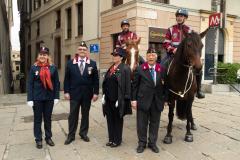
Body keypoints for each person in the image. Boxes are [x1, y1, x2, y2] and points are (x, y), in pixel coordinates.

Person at [163, 8, 205, 99]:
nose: (179, 18)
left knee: (198, 68)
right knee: (162, 66)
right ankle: (163, 91)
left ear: (185, 18)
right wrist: (172, 49)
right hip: (172, 54)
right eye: (178, 16)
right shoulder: (171, 29)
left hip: (186, 55)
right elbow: (166, 43)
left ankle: (198, 90)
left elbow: (194, 43)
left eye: (181, 16)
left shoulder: (189, 30)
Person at [131, 48, 167, 153]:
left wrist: (165, 99)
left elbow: (166, 86)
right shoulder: (140, 69)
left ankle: (152, 143)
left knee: (155, 123)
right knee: (142, 124)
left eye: (153, 55)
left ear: (156, 57)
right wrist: (133, 99)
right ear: (146, 57)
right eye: (149, 55)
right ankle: (142, 143)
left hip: (157, 101)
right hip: (143, 100)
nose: (151, 57)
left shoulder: (162, 69)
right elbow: (135, 86)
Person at [64, 41, 99, 145]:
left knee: (85, 114)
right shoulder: (70, 63)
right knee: (73, 115)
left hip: (87, 94)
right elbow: (67, 79)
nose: (82, 51)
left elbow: (95, 80)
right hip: (74, 94)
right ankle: (71, 135)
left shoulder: (92, 63)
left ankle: (83, 133)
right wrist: (66, 92)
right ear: (77, 51)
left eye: (84, 50)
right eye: (80, 49)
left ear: (86, 51)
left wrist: (96, 93)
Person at [27, 46, 60, 149]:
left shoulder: (53, 68)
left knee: (48, 119)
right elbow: (30, 84)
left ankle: (48, 137)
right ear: (38, 56)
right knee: (37, 119)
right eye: (41, 54)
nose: (42, 56)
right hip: (37, 99)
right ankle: (38, 139)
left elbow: (56, 83)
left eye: (44, 54)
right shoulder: (34, 68)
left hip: (49, 98)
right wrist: (30, 99)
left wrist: (56, 97)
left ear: (47, 56)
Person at [102, 48, 132, 148]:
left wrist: (124, 99)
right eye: (113, 55)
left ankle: (117, 140)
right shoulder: (111, 67)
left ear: (121, 57)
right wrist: (104, 95)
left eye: (116, 55)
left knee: (118, 120)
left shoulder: (125, 68)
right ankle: (111, 139)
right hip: (108, 99)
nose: (114, 57)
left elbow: (128, 86)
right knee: (109, 119)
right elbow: (106, 82)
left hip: (118, 100)